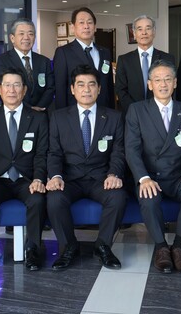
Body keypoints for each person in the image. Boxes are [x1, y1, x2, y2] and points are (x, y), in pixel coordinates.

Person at [125, 59, 181, 275]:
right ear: (150, 84)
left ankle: (179, 247)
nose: (163, 84)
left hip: (179, 176)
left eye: (168, 79)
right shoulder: (136, 110)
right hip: (150, 175)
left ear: (175, 83)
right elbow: (131, 149)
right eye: (158, 80)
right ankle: (161, 247)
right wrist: (143, 178)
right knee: (148, 198)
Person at [46, 64, 126, 271]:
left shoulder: (114, 117)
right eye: (81, 85)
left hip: (101, 178)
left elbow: (118, 151)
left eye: (91, 84)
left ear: (99, 89)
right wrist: (55, 176)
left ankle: (103, 246)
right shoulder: (58, 117)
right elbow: (54, 152)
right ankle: (68, 246)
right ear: (72, 89)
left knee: (118, 197)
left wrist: (114, 173)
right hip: (69, 178)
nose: (86, 89)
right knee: (54, 199)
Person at [0, 69, 48, 272]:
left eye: (17, 85)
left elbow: (42, 154)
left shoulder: (38, 118)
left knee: (37, 199)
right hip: (0, 179)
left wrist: (39, 178)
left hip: (26, 179)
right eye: (7, 85)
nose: (12, 90)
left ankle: (32, 249)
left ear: (24, 90)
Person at [53, 7, 115, 109]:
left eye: (90, 22)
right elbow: (60, 88)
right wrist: (62, 115)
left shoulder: (105, 52)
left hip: (103, 110)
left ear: (95, 27)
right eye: (81, 22)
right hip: (75, 111)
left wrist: (112, 111)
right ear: (73, 27)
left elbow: (109, 86)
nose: (86, 26)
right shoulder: (63, 52)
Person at [115, 15, 175, 115]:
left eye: (148, 28)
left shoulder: (167, 58)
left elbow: (172, 87)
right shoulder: (124, 60)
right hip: (133, 113)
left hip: (161, 113)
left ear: (154, 32)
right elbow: (120, 90)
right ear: (134, 34)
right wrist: (136, 110)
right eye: (140, 29)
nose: (144, 33)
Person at [0, 18, 54, 111]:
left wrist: (39, 108)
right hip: (15, 112)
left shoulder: (44, 61)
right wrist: (29, 108)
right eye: (21, 34)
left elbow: (50, 88)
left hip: (41, 113)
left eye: (30, 34)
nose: (26, 38)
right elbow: (0, 89)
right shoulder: (1, 60)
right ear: (12, 38)